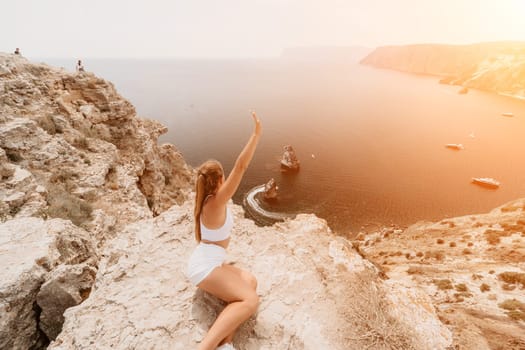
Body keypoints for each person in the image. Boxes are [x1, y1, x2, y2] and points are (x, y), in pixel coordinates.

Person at [186, 111, 262, 350]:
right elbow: (241, 166)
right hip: (205, 267)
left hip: (209, 262)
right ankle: (205, 347)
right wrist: (256, 134)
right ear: (219, 180)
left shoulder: (206, 201)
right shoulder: (216, 201)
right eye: (224, 177)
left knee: (250, 281)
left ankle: (226, 342)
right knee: (250, 301)